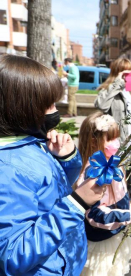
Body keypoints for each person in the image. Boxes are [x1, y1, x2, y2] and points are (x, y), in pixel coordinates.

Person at [0, 54, 104, 275]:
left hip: (62, 262)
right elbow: (13, 255)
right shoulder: (7, 169)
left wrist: (67, 158)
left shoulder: (31, 140)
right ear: (20, 107)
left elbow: (56, 184)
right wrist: (77, 204)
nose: (55, 110)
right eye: (48, 104)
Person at [76, 112, 131, 276]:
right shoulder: (95, 172)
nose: (115, 143)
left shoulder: (111, 164)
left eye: (116, 138)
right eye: (109, 139)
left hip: (113, 234)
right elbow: (96, 214)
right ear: (94, 141)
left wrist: (129, 207)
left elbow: (118, 197)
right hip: (101, 241)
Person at [94, 57, 131, 239]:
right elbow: (100, 106)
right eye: (123, 71)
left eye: (129, 71)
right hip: (118, 151)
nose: (127, 75)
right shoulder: (109, 91)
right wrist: (117, 82)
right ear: (116, 72)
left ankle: (130, 222)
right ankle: (116, 222)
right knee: (116, 190)